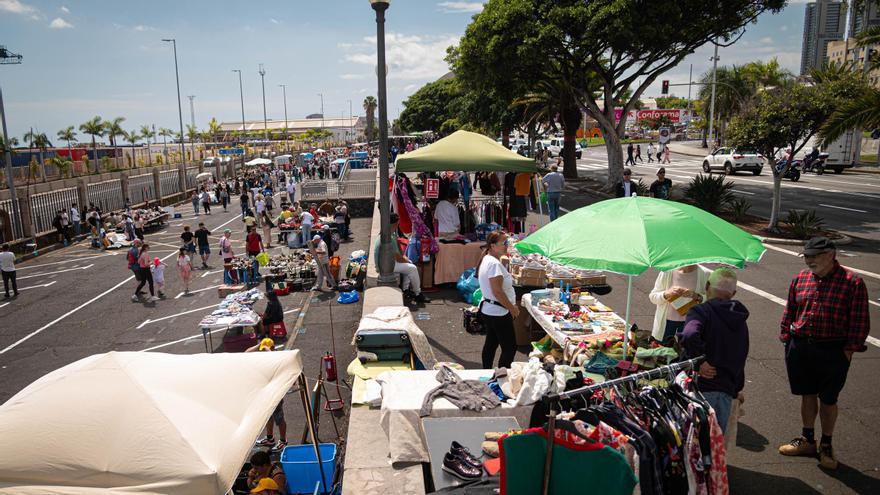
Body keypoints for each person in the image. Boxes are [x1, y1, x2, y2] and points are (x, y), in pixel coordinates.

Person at [777, 237, 869, 470]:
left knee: (828, 399)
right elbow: (790, 309)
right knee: (807, 394)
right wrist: (786, 337)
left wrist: (848, 351)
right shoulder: (801, 278)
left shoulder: (852, 282)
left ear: (830, 255)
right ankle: (808, 440)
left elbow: (859, 322)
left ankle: (826, 445)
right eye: (807, 256)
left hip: (833, 349)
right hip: (801, 346)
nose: (809, 261)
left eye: (814, 256)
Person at [677, 267, 749, 435]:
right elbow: (741, 355)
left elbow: (689, 335)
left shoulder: (701, 311)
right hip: (726, 390)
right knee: (715, 442)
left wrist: (699, 361)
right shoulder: (739, 319)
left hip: (700, 388)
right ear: (733, 293)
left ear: (707, 285)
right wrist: (736, 389)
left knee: (694, 443)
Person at [477, 231, 518, 369]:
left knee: (491, 343)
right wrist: (512, 308)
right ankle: (501, 376)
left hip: (491, 309)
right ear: (493, 246)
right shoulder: (494, 264)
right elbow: (497, 292)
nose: (507, 246)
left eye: (508, 242)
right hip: (498, 312)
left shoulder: (488, 259)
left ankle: (488, 371)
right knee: (510, 347)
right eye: (504, 243)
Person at [374, 213, 428, 303]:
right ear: (395, 224)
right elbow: (398, 257)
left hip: (386, 263)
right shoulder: (389, 237)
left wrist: (406, 260)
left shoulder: (388, 233)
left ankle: (405, 290)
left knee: (408, 265)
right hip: (385, 266)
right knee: (412, 268)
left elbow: (399, 254)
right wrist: (407, 261)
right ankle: (418, 294)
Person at [648, 264, 708, 344]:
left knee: (687, 350)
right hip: (666, 324)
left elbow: (713, 300)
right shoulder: (667, 271)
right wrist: (667, 294)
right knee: (661, 350)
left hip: (690, 323)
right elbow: (653, 297)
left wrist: (696, 296)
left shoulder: (706, 274)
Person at [249, 338, 288, 452]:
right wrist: (259, 345)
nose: (262, 352)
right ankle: (270, 438)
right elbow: (246, 353)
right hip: (266, 393)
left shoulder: (277, 357)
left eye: (264, 350)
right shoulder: (265, 357)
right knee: (268, 417)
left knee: (279, 418)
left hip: (276, 394)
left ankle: (283, 441)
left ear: (272, 348)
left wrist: (268, 349)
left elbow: (275, 360)